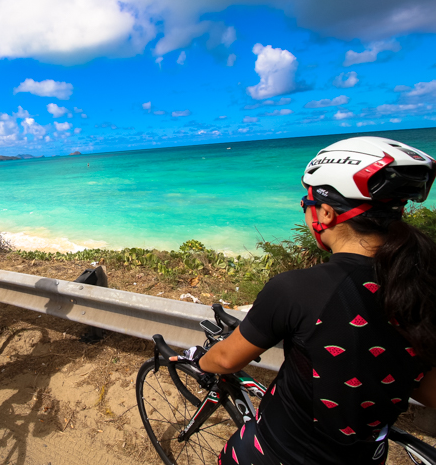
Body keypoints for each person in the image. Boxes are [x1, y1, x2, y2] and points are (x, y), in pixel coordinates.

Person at [185, 137, 436, 465]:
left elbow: (227, 360)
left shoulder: (296, 289)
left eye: (308, 201)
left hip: (280, 453)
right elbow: (426, 389)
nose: (306, 207)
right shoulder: (422, 282)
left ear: (327, 213)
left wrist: (198, 361)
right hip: (366, 455)